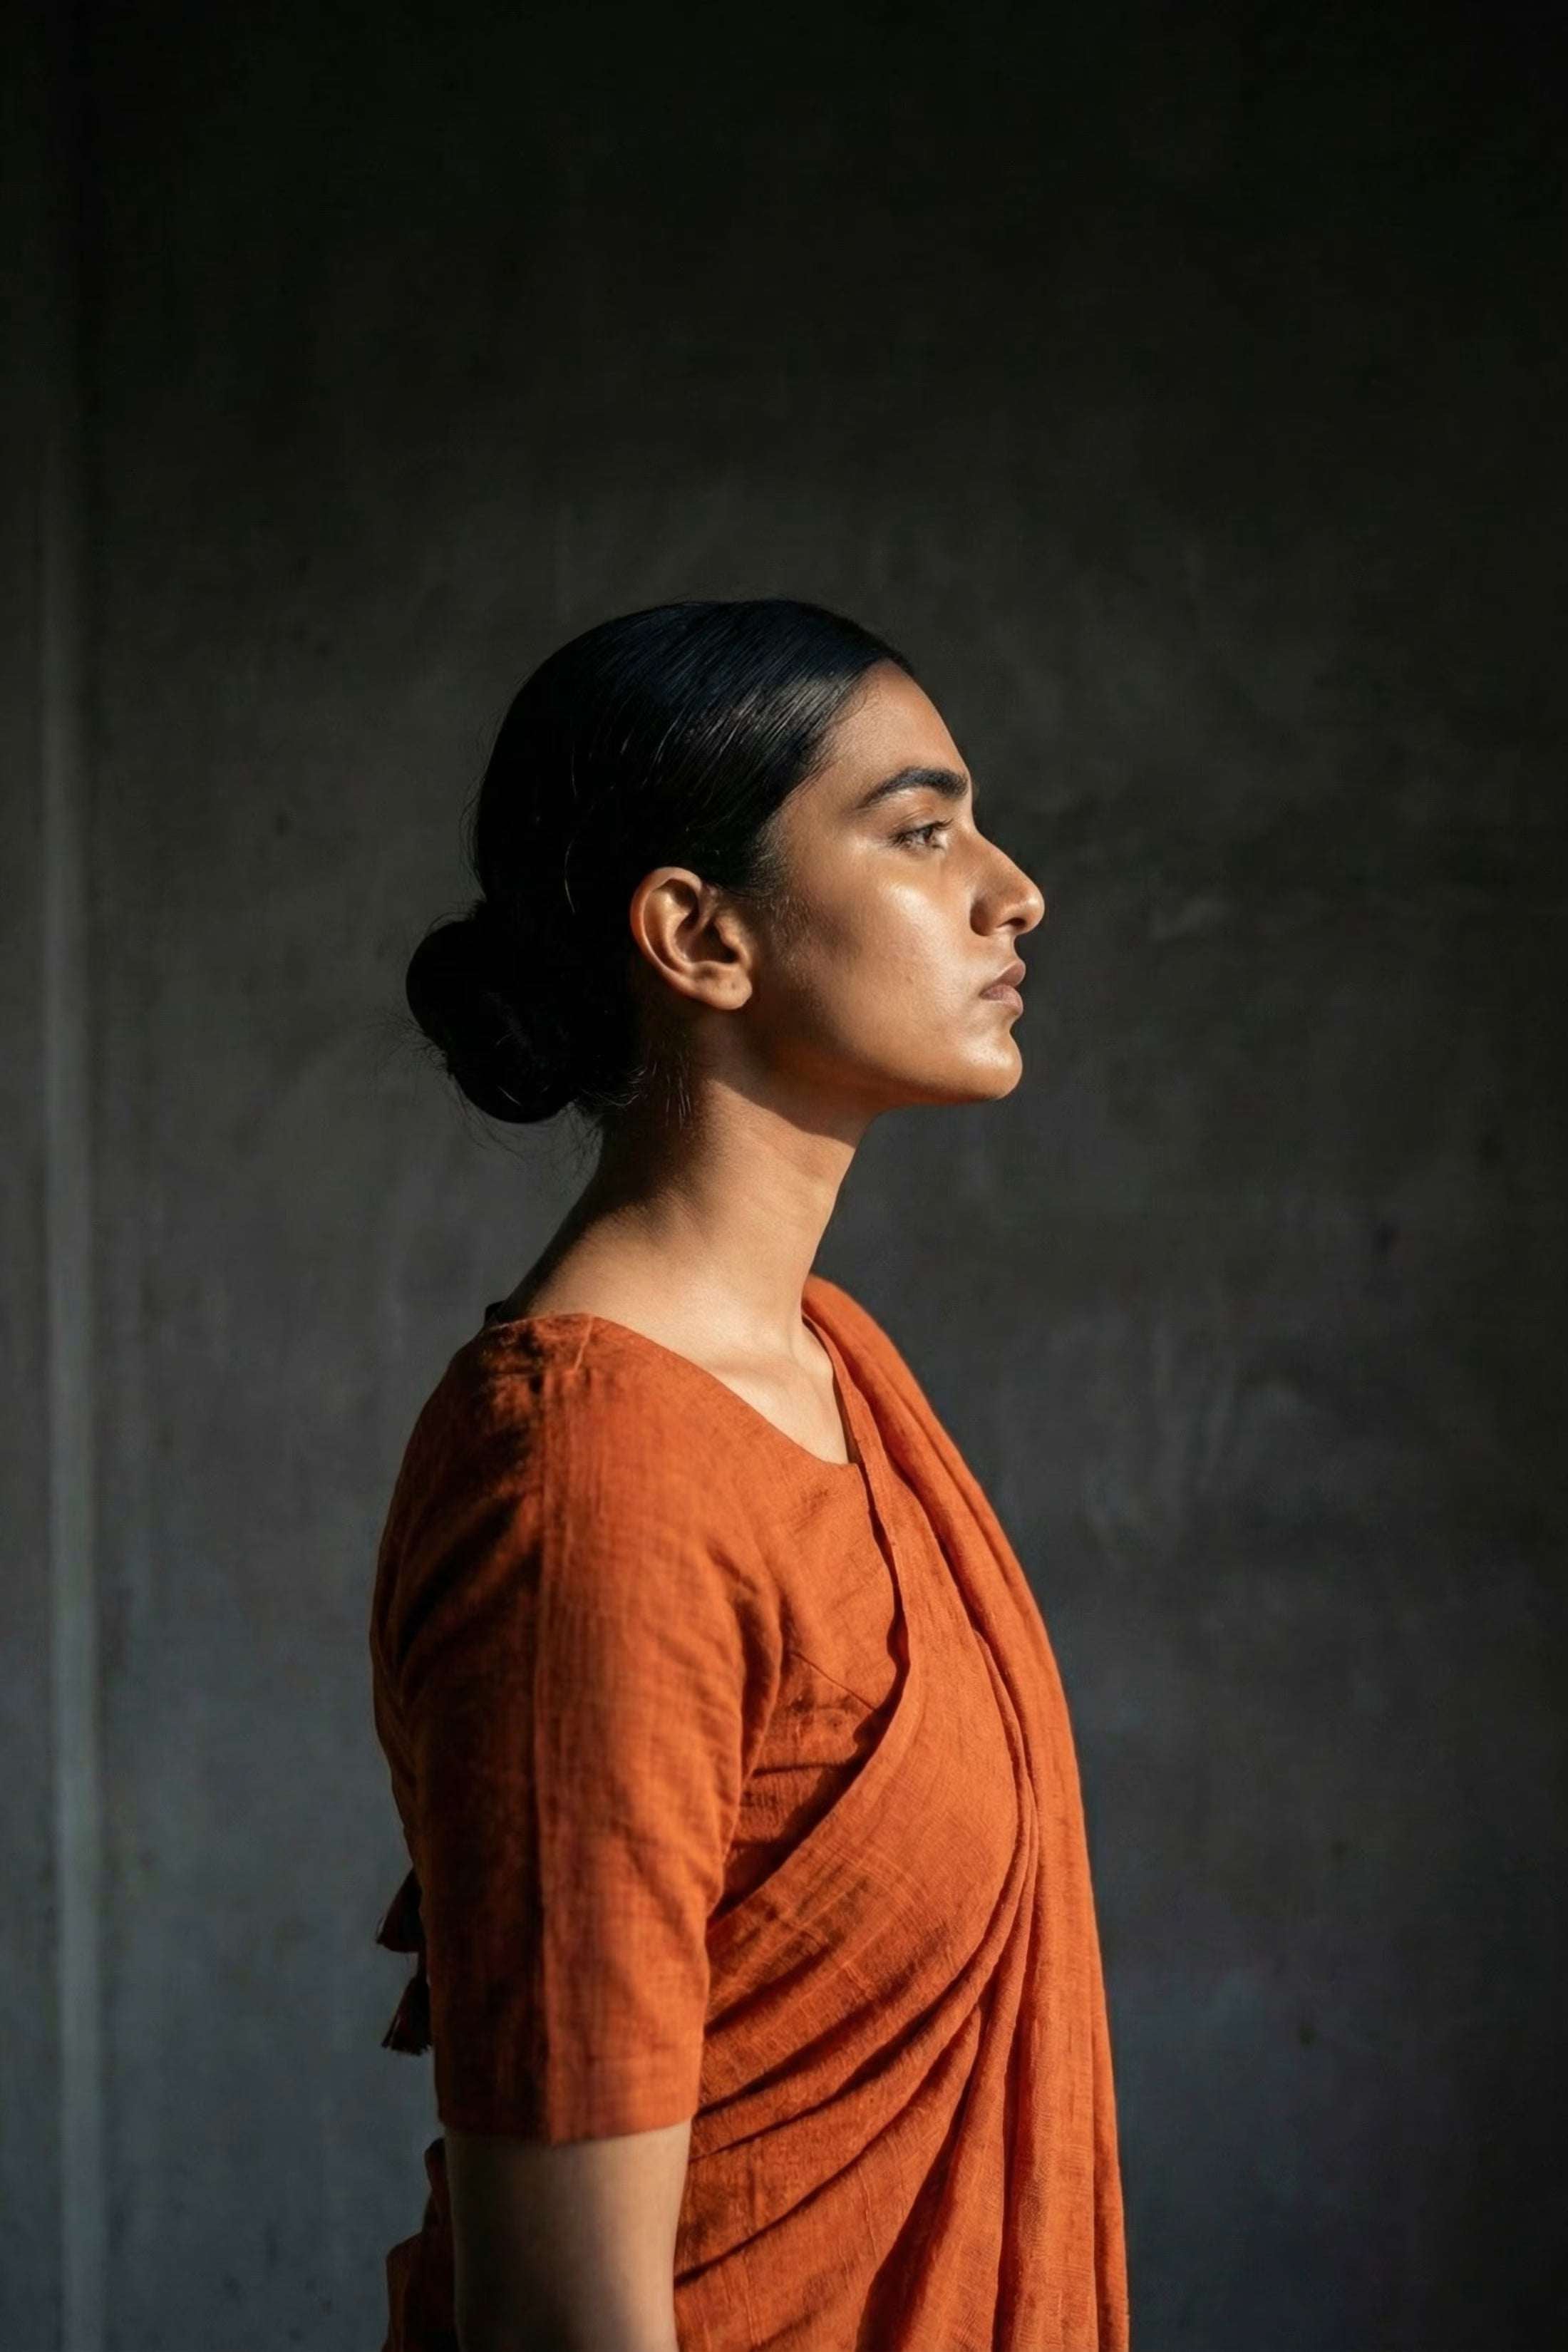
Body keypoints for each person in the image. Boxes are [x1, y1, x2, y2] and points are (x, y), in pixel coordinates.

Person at [368, 596, 1130, 2352]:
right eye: (922, 831)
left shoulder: (838, 1368)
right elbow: (566, 2319)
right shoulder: (590, 1482)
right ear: (697, 935)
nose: (1009, 892)